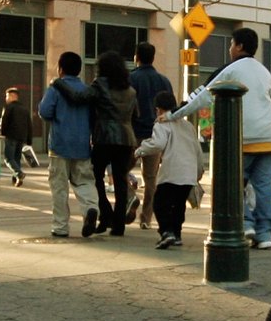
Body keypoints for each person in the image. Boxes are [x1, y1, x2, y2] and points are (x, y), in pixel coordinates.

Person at [170, 27, 271, 249]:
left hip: (241, 138)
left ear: (239, 46)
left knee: (232, 184)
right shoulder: (264, 72)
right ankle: (265, 235)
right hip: (268, 138)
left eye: (232, 44)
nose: (231, 49)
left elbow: (202, 98)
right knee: (264, 188)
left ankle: (246, 222)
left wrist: (173, 114)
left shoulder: (230, 70)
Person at [39, 51, 100, 238]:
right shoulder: (86, 90)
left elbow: (44, 112)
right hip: (82, 145)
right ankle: (90, 207)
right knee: (84, 181)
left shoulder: (55, 89)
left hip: (59, 145)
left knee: (59, 187)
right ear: (79, 70)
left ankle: (60, 226)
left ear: (60, 69)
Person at [135, 91, 203, 248]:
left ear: (158, 109)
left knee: (160, 203)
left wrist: (141, 150)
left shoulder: (161, 124)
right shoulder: (188, 126)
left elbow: (158, 144)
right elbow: (197, 150)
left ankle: (166, 232)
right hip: (188, 174)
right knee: (179, 205)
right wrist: (198, 172)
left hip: (172, 172)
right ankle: (177, 234)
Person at [86, 51, 139, 236]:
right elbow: (136, 115)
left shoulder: (99, 85)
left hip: (104, 137)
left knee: (95, 176)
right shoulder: (131, 91)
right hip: (126, 138)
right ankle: (119, 225)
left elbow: (84, 98)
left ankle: (105, 212)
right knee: (121, 181)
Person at [128, 42, 176, 228]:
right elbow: (171, 110)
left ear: (136, 57)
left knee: (121, 171)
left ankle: (130, 198)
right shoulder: (164, 81)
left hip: (133, 133)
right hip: (156, 135)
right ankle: (146, 219)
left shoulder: (131, 79)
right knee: (150, 179)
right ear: (153, 58)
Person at [0, 86, 32, 188]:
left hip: (11, 136)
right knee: (16, 158)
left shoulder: (8, 108)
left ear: (13, 97)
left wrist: (3, 133)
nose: (6, 98)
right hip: (21, 137)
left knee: (8, 158)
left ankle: (19, 174)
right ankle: (16, 179)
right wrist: (29, 140)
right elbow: (29, 125)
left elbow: (3, 122)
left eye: (7, 96)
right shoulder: (24, 109)